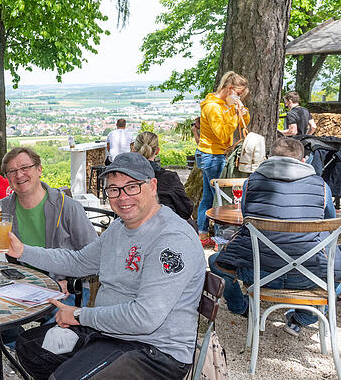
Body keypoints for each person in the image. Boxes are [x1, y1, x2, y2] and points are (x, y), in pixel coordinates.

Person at [12, 152, 205, 379]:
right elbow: (78, 262)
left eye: (132, 187)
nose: (122, 197)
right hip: (109, 333)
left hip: (153, 351)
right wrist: (22, 251)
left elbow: (144, 318)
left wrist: (80, 315)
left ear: (152, 186)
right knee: (29, 346)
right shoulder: (119, 227)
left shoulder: (171, 239)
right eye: (114, 189)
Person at [209, 138, 338, 336]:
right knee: (335, 268)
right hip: (308, 277)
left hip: (259, 275)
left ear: (268, 158)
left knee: (216, 262)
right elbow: (328, 223)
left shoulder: (251, 183)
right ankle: (303, 317)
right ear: (303, 160)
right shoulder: (321, 186)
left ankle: (240, 307)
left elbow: (247, 218)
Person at [0, 147, 97, 288]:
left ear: (39, 170)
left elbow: (95, 258)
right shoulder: (2, 208)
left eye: (25, 167)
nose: (19, 175)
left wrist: (69, 284)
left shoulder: (68, 207)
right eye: (12, 171)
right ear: (7, 178)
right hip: (22, 287)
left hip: (64, 291)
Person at [195, 71, 250, 249]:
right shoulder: (213, 107)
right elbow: (222, 134)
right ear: (230, 89)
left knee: (209, 196)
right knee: (220, 196)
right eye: (239, 94)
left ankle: (203, 233)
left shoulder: (223, 105)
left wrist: (241, 111)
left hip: (213, 154)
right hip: (212, 155)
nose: (239, 98)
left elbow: (244, 123)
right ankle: (219, 237)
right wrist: (234, 115)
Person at [133, 132, 194, 222]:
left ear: (134, 150)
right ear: (157, 151)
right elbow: (186, 210)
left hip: (131, 231)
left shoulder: (124, 177)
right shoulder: (169, 178)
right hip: (165, 230)